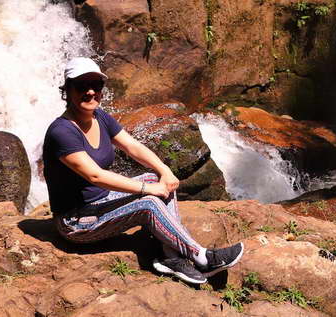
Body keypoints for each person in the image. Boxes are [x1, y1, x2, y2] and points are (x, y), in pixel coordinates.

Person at [42, 57, 243, 284]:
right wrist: (148, 189)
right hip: (76, 221)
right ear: (67, 89)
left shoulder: (100, 117)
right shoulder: (62, 132)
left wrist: (164, 170)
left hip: (99, 203)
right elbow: (95, 175)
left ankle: (170, 257)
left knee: (157, 178)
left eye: (96, 86)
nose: (90, 92)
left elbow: (132, 147)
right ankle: (202, 257)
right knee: (148, 202)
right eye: (81, 86)